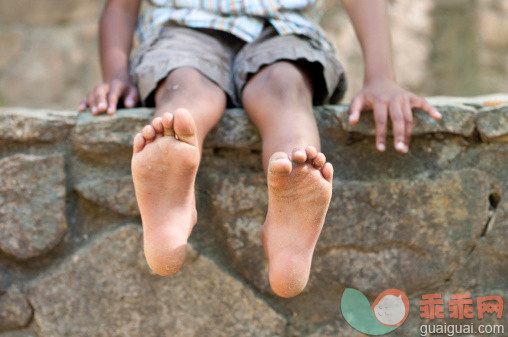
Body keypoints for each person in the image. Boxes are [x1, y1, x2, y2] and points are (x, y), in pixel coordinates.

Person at [79, 0, 441, 298]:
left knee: (245, 87)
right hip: (181, 28)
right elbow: (121, 6)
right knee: (218, 88)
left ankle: (291, 203)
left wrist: (381, 78)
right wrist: (116, 76)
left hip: (284, 29)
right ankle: (177, 190)